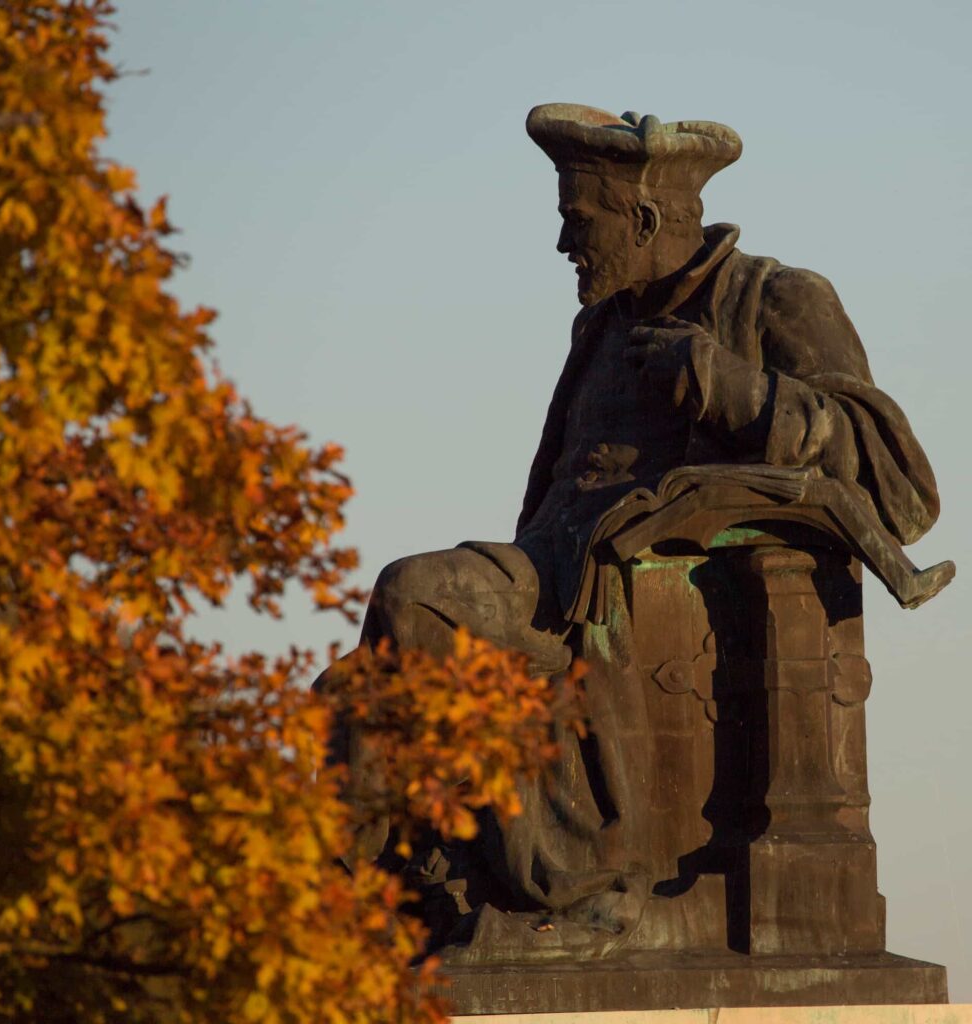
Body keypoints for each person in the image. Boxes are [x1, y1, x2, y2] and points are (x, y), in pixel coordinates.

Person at [347, 104, 940, 955]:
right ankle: (371, 893)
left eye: (576, 222)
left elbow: (899, 485)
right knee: (372, 678)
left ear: (647, 219)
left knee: (417, 594)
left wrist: (724, 384)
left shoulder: (775, 297)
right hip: (552, 569)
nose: (564, 247)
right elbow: (548, 487)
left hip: (643, 592)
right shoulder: (601, 327)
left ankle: (580, 886)